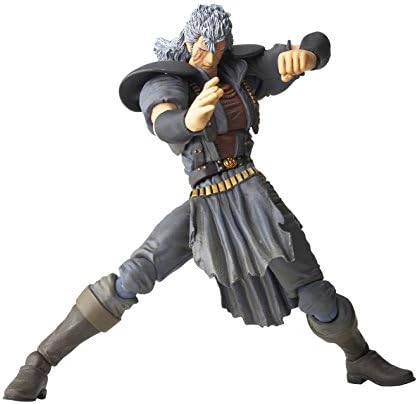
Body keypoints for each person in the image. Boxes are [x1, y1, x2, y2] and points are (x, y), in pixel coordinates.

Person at [4, 4, 415, 402]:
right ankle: (39, 362)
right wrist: (187, 121)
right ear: (187, 41)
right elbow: (163, 119)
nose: (208, 53)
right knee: (135, 274)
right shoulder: (167, 80)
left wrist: (308, 54)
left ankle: (358, 357)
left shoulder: (239, 71)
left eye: (217, 45)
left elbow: (310, 45)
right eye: (201, 44)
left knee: (313, 290)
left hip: (252, 194)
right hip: (205, 203)